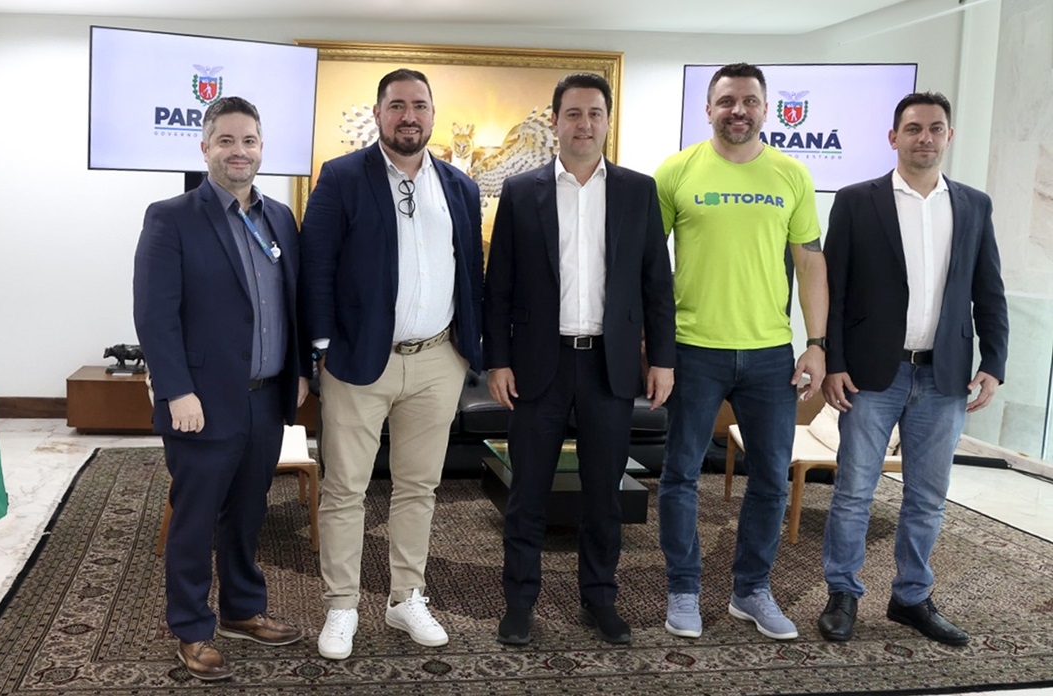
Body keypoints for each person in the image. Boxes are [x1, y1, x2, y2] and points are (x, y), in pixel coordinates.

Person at [482, 72, 676, 646]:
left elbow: (656, 284)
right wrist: (498, 360)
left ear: (607, 121)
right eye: (573, 113)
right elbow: (499, 284)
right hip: (538, 366)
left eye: (594, 113)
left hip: (609, 369)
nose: (584, 124)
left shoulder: (638, 191)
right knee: (527, 495)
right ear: (555, 122)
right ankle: (519, 604)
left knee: (603, 496)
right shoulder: (522, 191)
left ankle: (600, 599)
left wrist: (661, 359)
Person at [299, 68, 484, 661]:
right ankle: (342, 606)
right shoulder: (342, 176)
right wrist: (322, 346)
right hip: (358, 361)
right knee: (344, 489)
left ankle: (406, 598)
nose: (409, 116)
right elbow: (316, 264)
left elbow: (471, 273)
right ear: (379, 113)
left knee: (419, 487)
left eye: (420, 106)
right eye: (397, 105)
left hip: (437, 360)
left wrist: (470, 348)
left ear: (432, 115)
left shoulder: (460, 186)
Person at [816, 92, 1008, 646]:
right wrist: (833, 361)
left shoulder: (974, 205)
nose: (925, 137)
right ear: (893, 136)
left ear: (949, 136)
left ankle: (911, 597)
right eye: (914, 128)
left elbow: (988, 289)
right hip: (872, 375)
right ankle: (843, 593)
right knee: (854, 492)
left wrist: (994, 362)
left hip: (944, 377)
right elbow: (836, 287)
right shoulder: (857, 200)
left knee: (927, 496)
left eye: (936, 128)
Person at [133, 96, 309, 681]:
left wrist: (298, 371)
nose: (239, 151)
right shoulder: (172, 217)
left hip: (266, 397)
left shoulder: (280, 217)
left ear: (262, 149)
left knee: (248, 511)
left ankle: (241, 608)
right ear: (205, 146)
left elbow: (291, 303)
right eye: (227, 141)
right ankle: (191, 627)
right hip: (201, 402)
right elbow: (154, 314)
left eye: (249, 141)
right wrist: (175, 390)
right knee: (196, 517)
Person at [654, 62, 827, 641]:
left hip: (770, 354)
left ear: (765, 109)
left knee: (772, 479)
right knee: (680, 474)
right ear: (708, 109)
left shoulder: (791, 175)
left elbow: (810, 264)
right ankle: (683, 588)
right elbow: (648, 264)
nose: (738, 110)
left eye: (750, 100)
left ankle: (751, 590)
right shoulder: (676, 171)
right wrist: (653, 343)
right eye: (727, 100)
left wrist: (816, 344)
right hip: (692, 349)